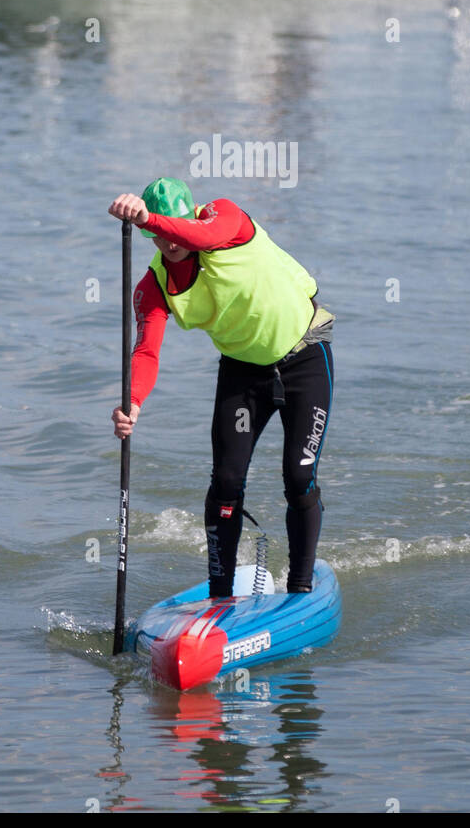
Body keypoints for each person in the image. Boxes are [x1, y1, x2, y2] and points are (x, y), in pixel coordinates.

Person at [109, 179, 335, 597]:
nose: (166, 241)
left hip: (305, 356)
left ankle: (301, 589)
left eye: (171, 227)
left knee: (298, 475)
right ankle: (220, 595)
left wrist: (150, 218)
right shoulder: (153, 287)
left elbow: (203, 236)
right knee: (227, 482)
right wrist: (133, 403)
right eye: (155, 235)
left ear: (191, 213)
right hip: (243, 371)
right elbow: (146, 353)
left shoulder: (224, 217)